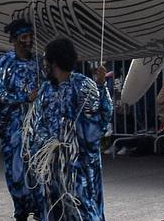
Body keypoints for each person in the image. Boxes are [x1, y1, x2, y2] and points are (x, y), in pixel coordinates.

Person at [23, 38, 112, 221]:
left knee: (83, 208)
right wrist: (47, 146)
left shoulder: (83, 85)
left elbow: (100, 118)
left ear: (54, 61)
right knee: (55, 209)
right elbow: (37, 123)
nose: (44, 63)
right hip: (53, 166)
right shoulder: (46, 89)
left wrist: (102, 86)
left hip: (80, 165)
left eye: (46, 59)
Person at [0, 19, 41, 221]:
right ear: (14, 40)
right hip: (13, 126)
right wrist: (24, 98)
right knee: (16, 170)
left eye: (30, 37)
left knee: (38, 167)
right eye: (24, 37)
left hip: (37, 126)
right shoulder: (4, 63)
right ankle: (20, 209)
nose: (28, 41)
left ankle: (40, 208)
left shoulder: (39, 62)